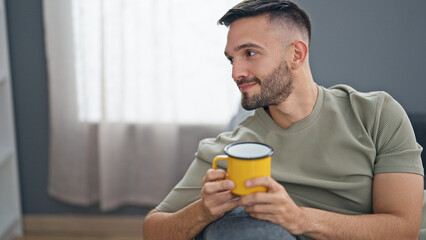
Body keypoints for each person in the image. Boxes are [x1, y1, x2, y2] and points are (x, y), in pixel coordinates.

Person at [143, 0, 425, 239]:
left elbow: (404, 228)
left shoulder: (376, 115)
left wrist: (299, 218)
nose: (236, 72)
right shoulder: (229, 151)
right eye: (232, 59)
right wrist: (203, 211)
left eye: (250, 53)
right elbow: (153, 229)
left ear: (296, 54)